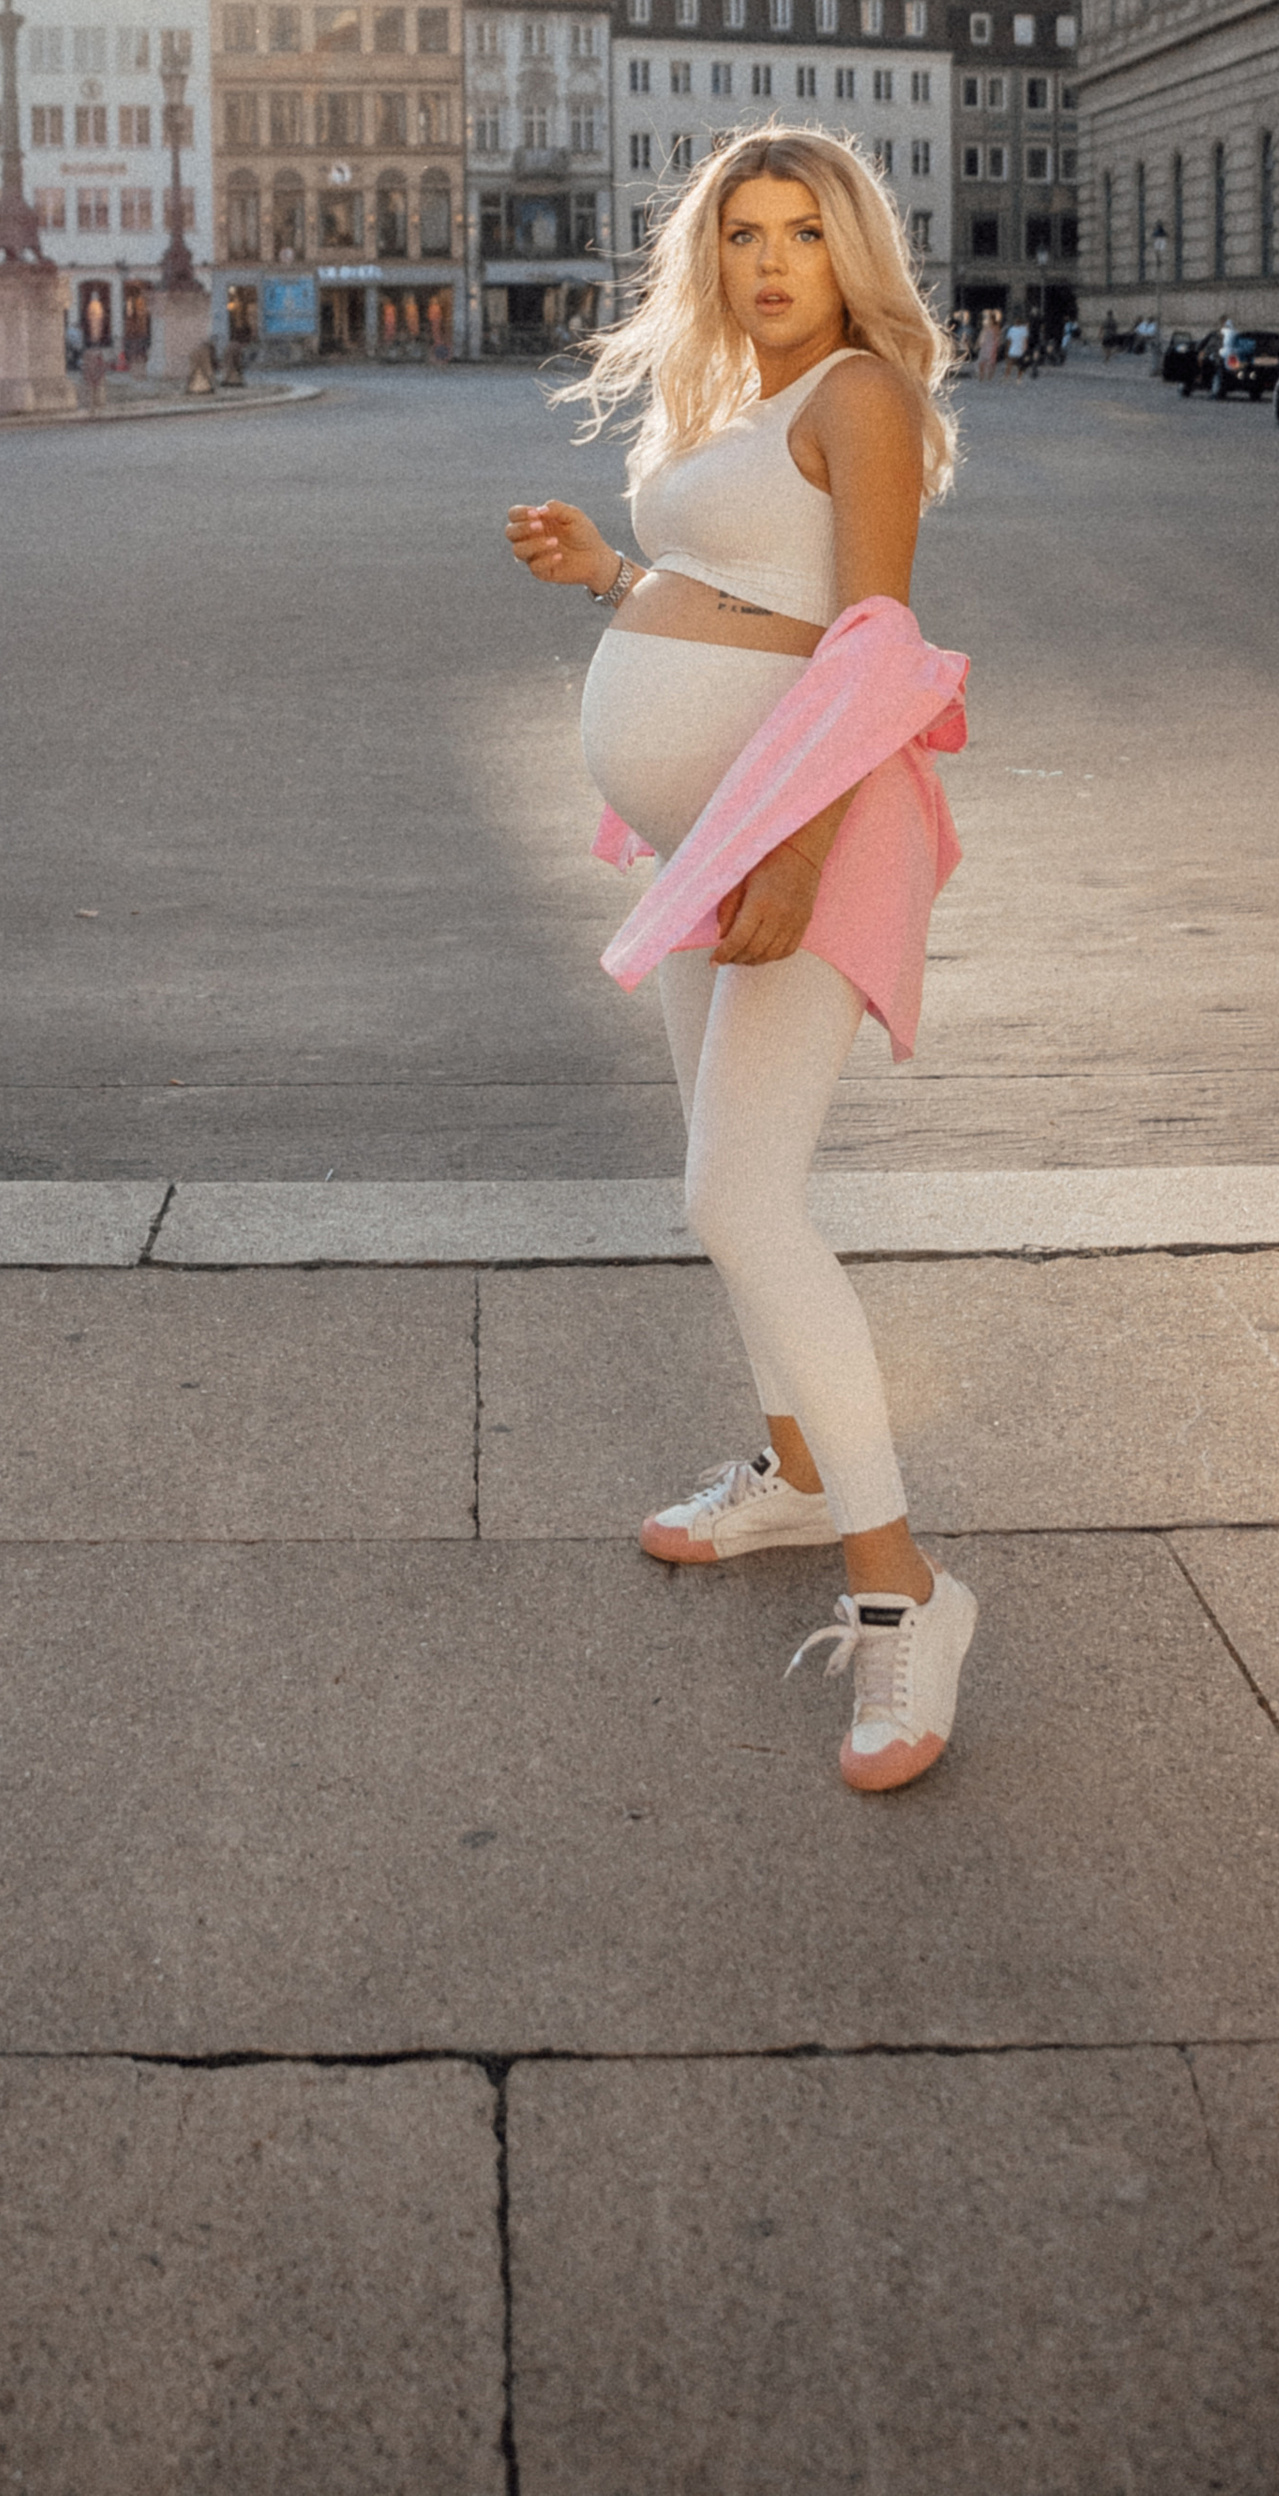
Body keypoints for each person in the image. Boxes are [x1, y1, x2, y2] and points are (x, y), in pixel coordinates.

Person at [505, 126, 976, 1795]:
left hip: (806, 829)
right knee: (725, 1181)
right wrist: (613, 579)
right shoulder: (744, 404)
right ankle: (789, 1474)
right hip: (711, 839)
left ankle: (906, 1594)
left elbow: (872, 650)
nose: (771, 263)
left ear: (853, 256)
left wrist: (788, 847)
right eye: (742, 235)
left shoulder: (858, 394)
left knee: (737, 1198)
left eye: (804, 233)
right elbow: (739, 599)